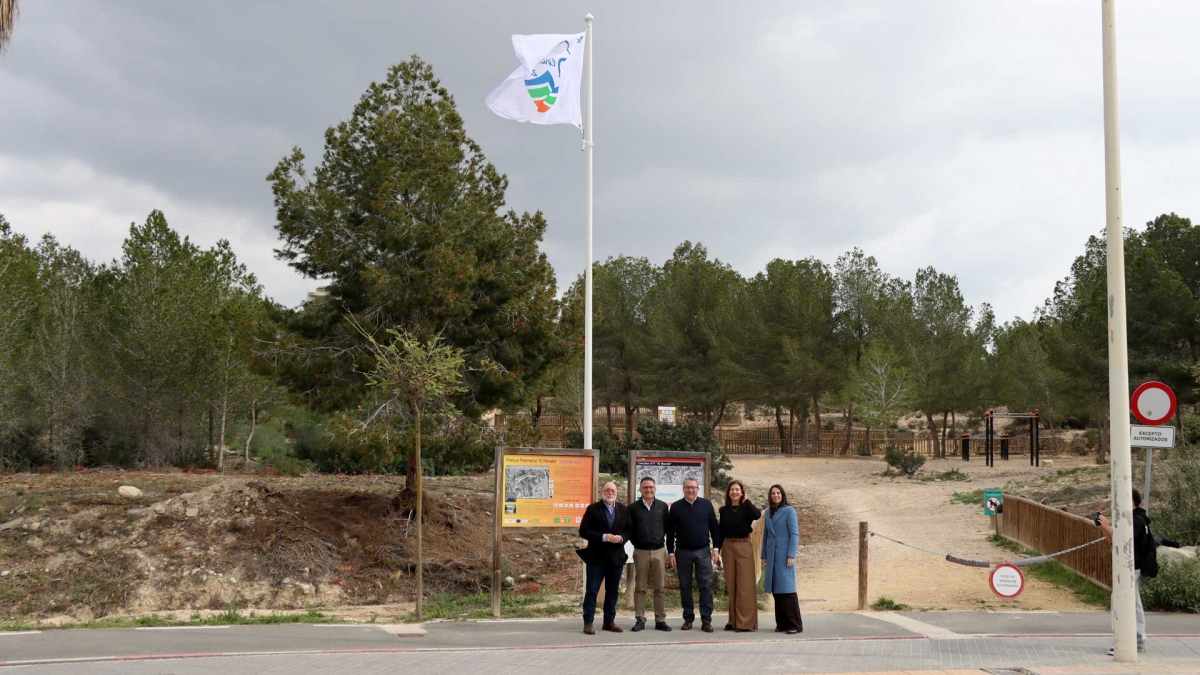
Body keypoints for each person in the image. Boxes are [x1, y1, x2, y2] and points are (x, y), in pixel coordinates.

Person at [1098, 488, 1154, 655]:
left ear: (1131, 502)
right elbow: (1114, 541)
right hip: (1131, 566)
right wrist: (1105, 529)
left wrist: (1107, 527)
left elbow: (1123, 544)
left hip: (1130, 566)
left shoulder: (1135, 521)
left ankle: (1124, 642)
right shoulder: (1136, 519)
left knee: (1121, 602)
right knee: (1134, 603)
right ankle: (1137, 640)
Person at [667, 477, 721, 632]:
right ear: (683, 489)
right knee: (685, 586)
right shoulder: (676, 507)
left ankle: (706, 620)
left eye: (693, 487)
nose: (691, 490)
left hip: (703, 551)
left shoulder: (706, 505)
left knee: (705, 586)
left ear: (698, 489)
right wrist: (671, 552)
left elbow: (714, 528)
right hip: (682, 552)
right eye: (688, 487)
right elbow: (670, 533)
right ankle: (688, 619)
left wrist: (716, 549)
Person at [579, 481, 633, 635]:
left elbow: (630, 530)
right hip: (596, 558)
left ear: (616, 493)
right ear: (602, 492)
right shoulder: (593, 509)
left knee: (612, 591)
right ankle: (588, 622)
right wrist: (603, 537)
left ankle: (609, 621)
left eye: (612, 490)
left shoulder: (623, 510)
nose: (610, 493)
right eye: (607, 490)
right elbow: (584, 531)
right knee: (592, 591)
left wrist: (621, 538)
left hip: (616, 558)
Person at [629, 476, 672, 632]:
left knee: (659, 587)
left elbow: (666, 527)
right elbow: (630, 529)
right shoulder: (633, 508)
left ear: (655, 489)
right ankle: (640, 619)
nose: (648, 490)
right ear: (640, 489)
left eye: (651, 487)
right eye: (645, 487)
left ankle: (660, 620)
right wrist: (637, 542)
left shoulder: (662, 506)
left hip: (659, 551)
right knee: (640, 587)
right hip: (640, 551)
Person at [718, 479, 761, 632]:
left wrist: (747, 501)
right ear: (728, 493)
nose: (734, 492)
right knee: (731, 584)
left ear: (742, 493)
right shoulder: (723, 510)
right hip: (728, 546)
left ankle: (745, 623)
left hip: (743, 545)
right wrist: (717, 550)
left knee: (745, 584)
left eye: (737, 490)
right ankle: (733, 620)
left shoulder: (747, 508)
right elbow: (721, 531)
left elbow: (757, 515)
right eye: (732, 490)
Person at [761, 484, 802, 635]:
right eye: (773, 493)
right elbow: (765, 535)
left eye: (778, 493)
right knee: (776, 590)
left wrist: (791, 554)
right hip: (772, 555)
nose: (776, 495)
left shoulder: (789, 510)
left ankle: (795, 624)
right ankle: (782, 623)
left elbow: (794, 534)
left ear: (782, 494)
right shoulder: (768, 512)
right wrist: (764, 555)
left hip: (785, 555)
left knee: (787, 589)